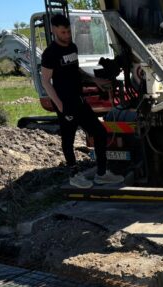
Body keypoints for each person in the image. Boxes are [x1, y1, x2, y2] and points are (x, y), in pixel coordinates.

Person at [41, 14, 123, 189]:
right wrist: (60, 105)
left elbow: (75, 70)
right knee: (68, 140)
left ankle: (101, 174)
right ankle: (74, 175)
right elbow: (45, 81)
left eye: (69, 31)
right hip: (64, 103)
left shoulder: (72, 47)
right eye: (63, 32)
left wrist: (95, 80)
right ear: (54, 30)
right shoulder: (50, 54)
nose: (67, 35)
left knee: (100, 132)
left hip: (79, 100)